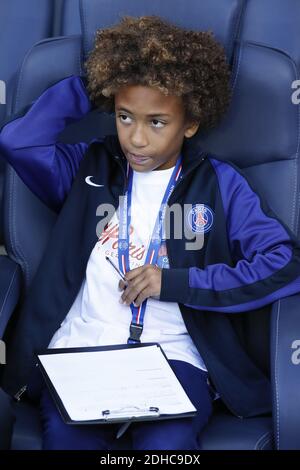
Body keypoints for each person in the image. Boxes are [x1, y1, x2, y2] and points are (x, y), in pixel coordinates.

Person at [1, 15, 300, 450]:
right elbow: (19, 142)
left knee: (169, 446)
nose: (136, 139)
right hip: (80, 351)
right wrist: (101, 82)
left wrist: (177, 282)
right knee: (66, 441)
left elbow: (285, 263)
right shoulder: (88, 167)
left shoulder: (219, 183)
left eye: (156, 122)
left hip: (173, 357)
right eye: (124, 116)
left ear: (190, 124)